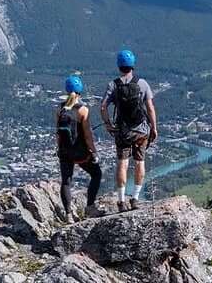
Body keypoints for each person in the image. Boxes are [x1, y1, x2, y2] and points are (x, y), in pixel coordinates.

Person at [100, 50, 158, 212]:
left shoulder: (113, 85)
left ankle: (121, 201)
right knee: (139, 162)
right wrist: (154, 128)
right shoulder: (142, 84)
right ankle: (135, 198)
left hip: (122, 132)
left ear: (119, 65)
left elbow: (103, 107)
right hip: (141, 131)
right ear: (133, 65)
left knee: (122, 163)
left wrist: (108, 124)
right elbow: (150, 109)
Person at [55, 75, 103, 223]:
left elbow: (57, 132)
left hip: (65, 151)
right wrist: (94, 152)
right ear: (80, 91)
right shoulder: (83, 110)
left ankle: (68, 214)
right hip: (80, 152)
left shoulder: (59, 109)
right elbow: (87, 135)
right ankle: (89, 207)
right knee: (96, 174)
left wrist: (59, 149)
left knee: (66, 182)